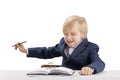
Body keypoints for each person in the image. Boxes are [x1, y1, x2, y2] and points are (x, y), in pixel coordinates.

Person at [14, 15, 105, 75]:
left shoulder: (91, 47)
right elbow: (47, 52)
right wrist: (26, 50)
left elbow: (99, 62)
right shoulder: (63, 43)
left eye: (73, 34)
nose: (68, 37)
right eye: (65, 34)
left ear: (83, 35)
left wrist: (91, 67)